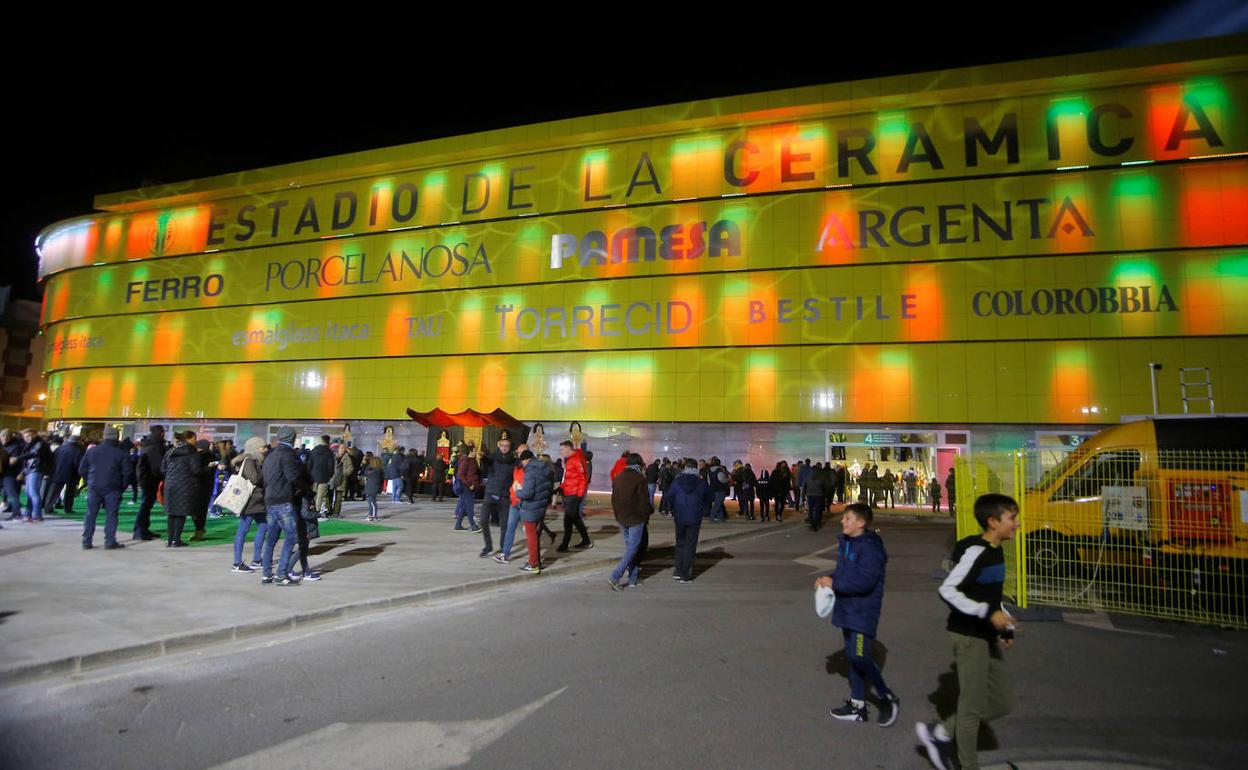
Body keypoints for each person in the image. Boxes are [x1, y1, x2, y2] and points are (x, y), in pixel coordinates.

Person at [916, 494, 1021, 770]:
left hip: (986, 634)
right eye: (1012, 518)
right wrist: (988, 614)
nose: (1017, 524)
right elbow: (948, 590)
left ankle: (940, 733)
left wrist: (1005, 624)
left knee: (1002, 701)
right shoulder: (977, 552)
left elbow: (990, 595)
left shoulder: (997, 550)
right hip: (968, 636)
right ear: (992, 521)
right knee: (971, 710)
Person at [819, 502, 900, 725]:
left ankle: (887, 697)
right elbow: (844, 572)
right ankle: (857, 706)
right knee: (853, 657)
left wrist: (833, 582)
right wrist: (827, 578)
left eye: (848, 518)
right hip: (847, 608)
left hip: (863, 611)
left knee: (859, 655)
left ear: (861, 523)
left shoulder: (871, 548)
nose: (843, 521)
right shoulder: (848, 543)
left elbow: (865, 581)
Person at [261, 426, 312, 585]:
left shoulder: (270, 456)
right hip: (284, 500)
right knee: (292, 537)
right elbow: (293, 477)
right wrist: (307, 491)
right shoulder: (288, 455)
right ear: (293, 438)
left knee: (271, 539)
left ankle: (266, 573)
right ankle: (281, 574)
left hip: (270, 499)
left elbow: (264, 478)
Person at [78, 426, 134, 550]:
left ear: (104, 436)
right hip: (113, 487)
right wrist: (121, 487)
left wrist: (90, 481)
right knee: (111, 515)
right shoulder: (121, 453)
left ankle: (86, 541)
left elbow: (82, 469)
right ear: (117, 437)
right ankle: (110, 541)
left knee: (90, 514)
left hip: (94, 486)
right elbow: (127, 473)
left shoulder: (92, 451)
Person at [608, 452, 652, 590]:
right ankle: (615, 575)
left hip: (621, 517)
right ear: (638, 464)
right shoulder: (639, 479)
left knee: (630, 549)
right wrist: (646, 515)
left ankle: (633, 579)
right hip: (635, 518)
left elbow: (613, 498)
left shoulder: (619, 477)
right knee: (633, 548)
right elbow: (644, 501)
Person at [668, 459, 711, 583]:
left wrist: (672, 508)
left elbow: (669, 496)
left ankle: (677, 570)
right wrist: (704, 508)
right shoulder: (701, 482)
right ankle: (685, 574)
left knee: (680, 543)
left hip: (679, 516)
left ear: (685, 468)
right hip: (695, 516)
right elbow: (710, 496)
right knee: (690, 545)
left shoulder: (677, 481)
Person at [230, 436, 268, 572]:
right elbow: (255, 479)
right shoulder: (249, 461)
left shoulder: (256, 460)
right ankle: (237, 562)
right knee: (244, 529)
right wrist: (265, 470)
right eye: (262, 447)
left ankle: (257, 559)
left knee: (263, 526)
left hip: (258, 500)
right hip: (249, 501)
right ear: (255, 448)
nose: (265, 450)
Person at [514, 450, 554, 574]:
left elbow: (528, 493)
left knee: (531, 537)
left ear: (526, 460)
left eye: (523, 461)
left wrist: (517, 491)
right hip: (541, 506)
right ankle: (536, 561)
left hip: (531, 507)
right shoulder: (545, 468)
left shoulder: (531, 471)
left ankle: (533, 564)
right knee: (536, 535)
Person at [160, 433, 203, 547]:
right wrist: (208, 468)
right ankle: (176, 540)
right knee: (180, 514)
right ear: (188, 440)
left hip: (170, 485)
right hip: (185, 486)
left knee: (171, 513)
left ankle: (169, 540)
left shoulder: (170, 452)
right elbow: (196, 470)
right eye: (194, 439)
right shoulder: (192, 453)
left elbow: (163, 469)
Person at [479, 433, 517, 558]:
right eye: (503, 445)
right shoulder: (493, 458)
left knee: (504, 524)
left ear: (510, 447)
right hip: (490, 494)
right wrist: (482, 456)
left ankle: (502, 547)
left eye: (507, 446)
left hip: (505, 497)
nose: (505, 448)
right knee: (483, 520)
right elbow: (486, 460)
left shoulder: (513, 461)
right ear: (499, 446)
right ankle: (488, 546)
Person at [555, 439, 593, 552]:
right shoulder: (572, 459)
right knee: (576, 519)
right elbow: (570, 477)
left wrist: (579, 495)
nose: (561, 452)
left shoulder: (575, 460)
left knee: (568, 519)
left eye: (562, 449)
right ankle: (586, 541)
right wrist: (561, 487)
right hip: (571, 492)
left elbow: (582, 479)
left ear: (568, 448)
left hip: (574, 494)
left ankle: (565, 544)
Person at [13, 428, 52, 522]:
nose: (26, 438)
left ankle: (37, 515)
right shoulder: (32, 444)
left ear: (34, 434)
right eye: (25, 436)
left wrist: (18, 458)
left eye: (28, 436)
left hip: (36, 469)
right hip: (31, 470)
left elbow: (35, 454)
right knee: (29, 493)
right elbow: (28, 459)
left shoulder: (40, 443)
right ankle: (28, 514)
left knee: (33, 492)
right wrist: (23, 472)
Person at [47, 432, 85, 516]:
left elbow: (53, 459)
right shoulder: (78, 450)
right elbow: (79, 463)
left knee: (54, 491)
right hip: (72, 473)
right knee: (69, 492)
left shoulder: (60, 448)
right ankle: (67, 508)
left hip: (58, 471)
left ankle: (48, 506)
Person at [453, 446, 481, 532]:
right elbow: (460, 475)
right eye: (474, 450)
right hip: (466, 487)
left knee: (465, 506)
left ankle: (458, 525)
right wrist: (469, 485)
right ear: (470, 452)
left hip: (471, 486)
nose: (476, 452)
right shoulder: (465, 461)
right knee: (469, 506)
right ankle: (473, 525)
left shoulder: (473, 461)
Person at [306, 435, 334, 516]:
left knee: (313, 494)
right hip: (324, 476)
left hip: (313, 476)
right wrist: (330, 475)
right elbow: (331, 465)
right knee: (320, 496)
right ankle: (317, 511)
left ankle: (311, 509)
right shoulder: (329, 452)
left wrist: (309, 474)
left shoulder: (314, 450)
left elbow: (309, 464)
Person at [330, 444, 354, 518]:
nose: (343, 449)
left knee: (339, 497)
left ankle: (336, 513)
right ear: (338, 449)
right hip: (332, 478)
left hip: (342, 479)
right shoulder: (332, 457)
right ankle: (328, 511)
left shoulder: (347, 458)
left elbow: (350, 468)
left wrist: (344, 473)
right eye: (342, 448)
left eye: (344, 448)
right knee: (329, 495)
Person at [361, 455, 383, 520]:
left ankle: (374, 515)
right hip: (372, 487)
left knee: (372, 502)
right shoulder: (378, 470)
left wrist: (366, 465)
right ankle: (370, 514)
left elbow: (365, 473)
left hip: (372, 488)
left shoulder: (375, 471)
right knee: (371, 502)